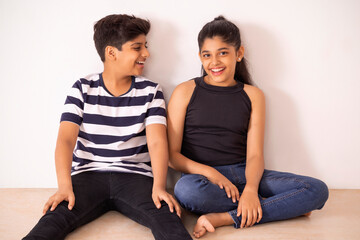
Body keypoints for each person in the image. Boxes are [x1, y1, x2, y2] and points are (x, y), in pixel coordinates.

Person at [23, 14, 192, 240]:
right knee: (53, 219)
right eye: (137, 47)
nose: (146, 54)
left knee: (168, 219)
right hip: (88, 176)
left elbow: (157, 141)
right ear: (111, 52)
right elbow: (65, 140)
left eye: (146, 46)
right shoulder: (82, 88)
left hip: (136, 177)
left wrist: (160, 186)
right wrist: (64, 187)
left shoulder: (151, 91)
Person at [167, 16, 329, 239]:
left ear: (239, 53)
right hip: (202, 180)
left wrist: (251, 189)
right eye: (207, 55)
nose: (214, 62)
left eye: (223, 53)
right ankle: (278, 207)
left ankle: (225, 217)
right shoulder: (185, 91)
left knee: (317, 190)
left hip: (244, 172)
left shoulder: (253, 95)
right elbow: (172, 156)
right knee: (185, 191)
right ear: (200, 57)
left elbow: (254, 155)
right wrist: (212, 173)